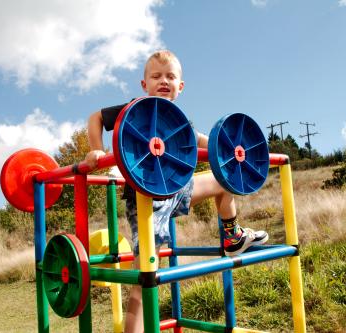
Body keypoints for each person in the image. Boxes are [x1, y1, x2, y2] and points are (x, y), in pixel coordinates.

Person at [86, 50, 268, 333]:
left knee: (224, 178)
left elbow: (204, 142)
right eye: (156, 76)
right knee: (146, 273)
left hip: (180, 188)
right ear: (144, 84)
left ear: (180, 86)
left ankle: (233, 236)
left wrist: (231, 148)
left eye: (170, 76)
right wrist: (97, 149)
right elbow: (96, 117)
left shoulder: (179, 120)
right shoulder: (137, 109)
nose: (163, 81)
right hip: (148, 198)